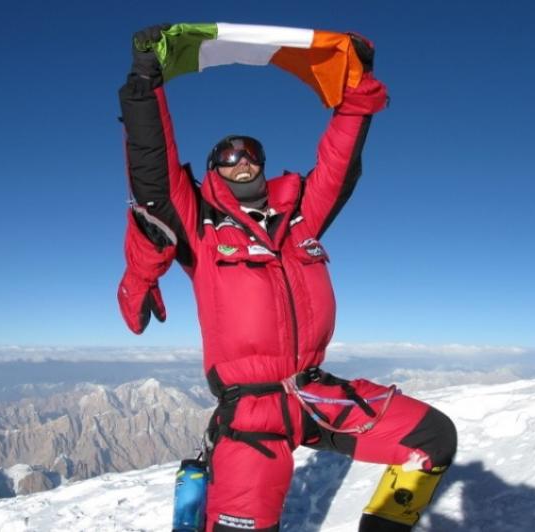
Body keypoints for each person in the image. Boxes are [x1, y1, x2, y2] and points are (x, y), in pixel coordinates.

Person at [118, 24, 457, 532]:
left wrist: (355, 96)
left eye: (250, 154)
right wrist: (146, 83)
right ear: (212, 170)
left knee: (432, 439)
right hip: (251, 416)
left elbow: (340, 166)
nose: (241, 162)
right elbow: (154, 173)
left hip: (314, 394)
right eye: (227, 157)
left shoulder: (301, 217)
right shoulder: (201, 226)